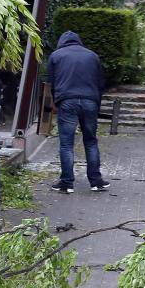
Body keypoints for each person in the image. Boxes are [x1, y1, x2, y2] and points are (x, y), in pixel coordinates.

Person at [47, 30, 108, 193]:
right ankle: (96, 181)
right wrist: (97, 103)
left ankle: (67, 183)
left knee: (66, 143)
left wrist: (56, 102)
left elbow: (52, 83)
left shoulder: (56, 56)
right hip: (90, 101)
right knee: (91, 141)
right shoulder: (93, 56)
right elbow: (100, 82)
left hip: (67, 101)